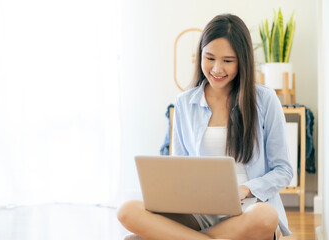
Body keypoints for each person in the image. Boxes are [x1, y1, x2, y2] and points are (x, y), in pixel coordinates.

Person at [117, 14, 293, 240]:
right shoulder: (184, 103)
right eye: (209, 58)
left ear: (242, 61)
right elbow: (179, 168)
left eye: (228, 61)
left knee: (266, 217)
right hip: (200, 212)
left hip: (250, 209)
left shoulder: (265, 99)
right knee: (127, 211)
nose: (217, 68)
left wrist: (246, 189)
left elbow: (283, 170)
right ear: (199, 55)